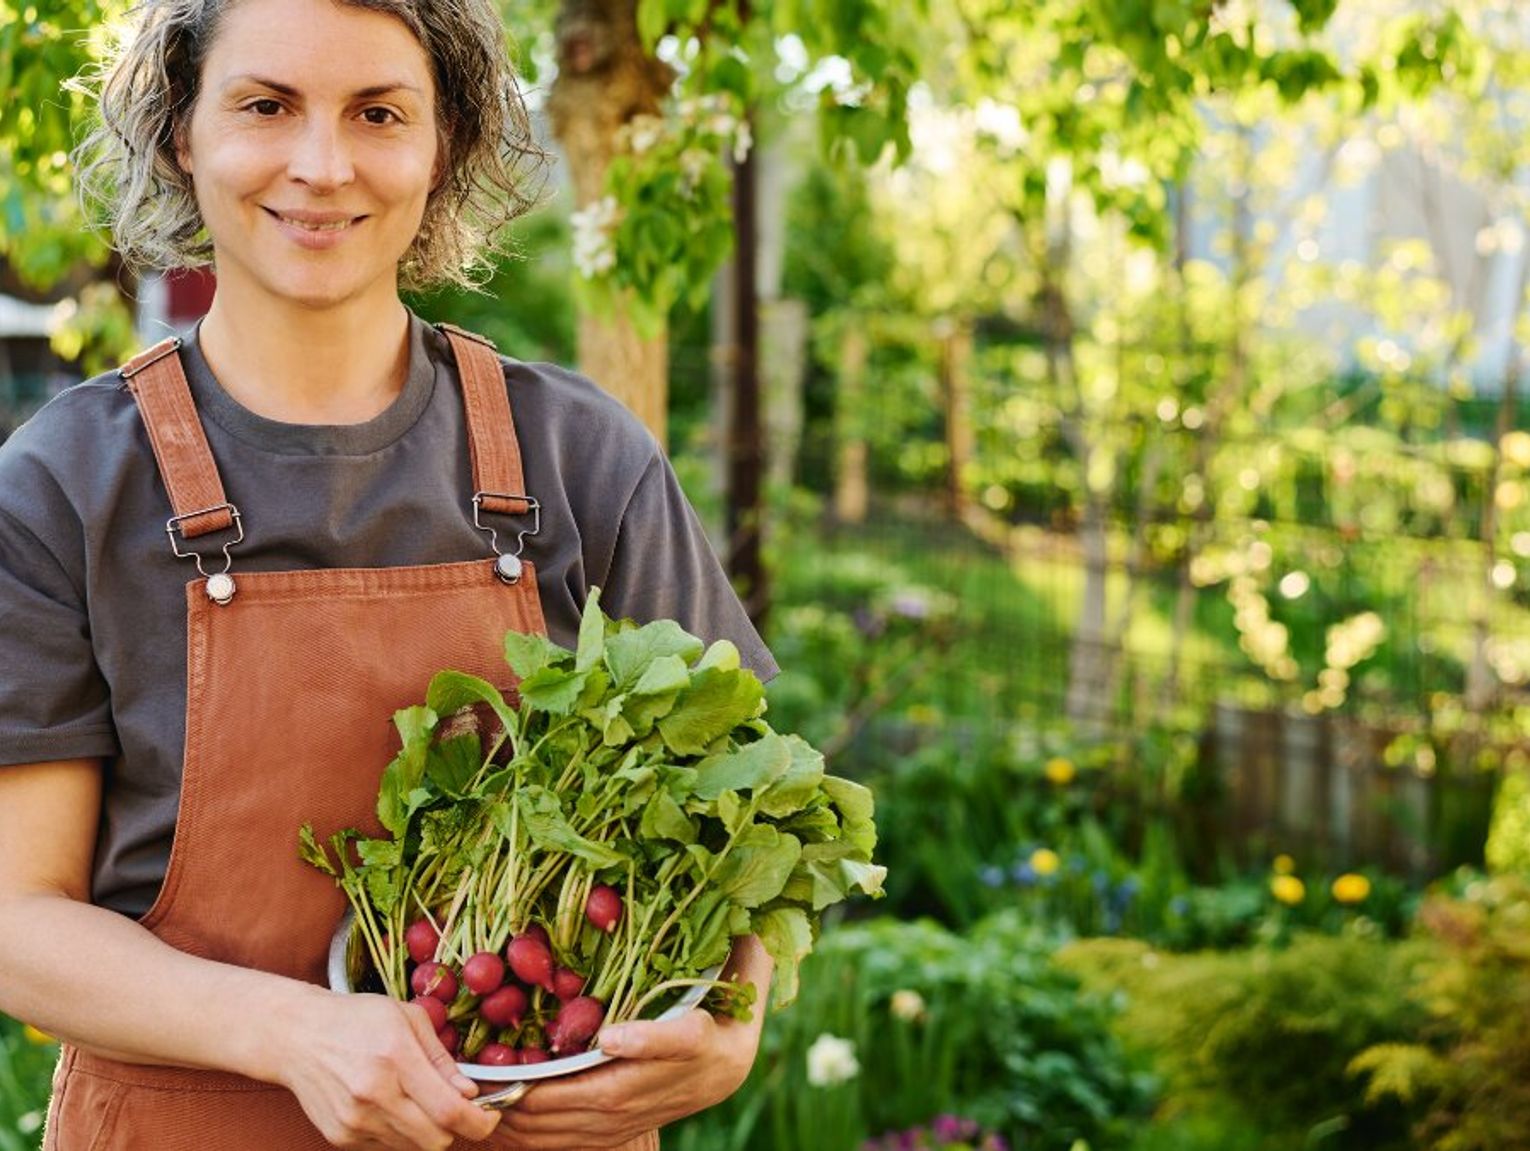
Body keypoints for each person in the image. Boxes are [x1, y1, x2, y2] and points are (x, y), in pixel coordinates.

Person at [0, 1, 777, 1148]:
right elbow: (17, 917)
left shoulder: (581, 460)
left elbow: (743, 816)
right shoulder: (64, 484)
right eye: (266, 106)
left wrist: (732, 1023)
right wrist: (293, 1030)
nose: (322, 166)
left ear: (444, 144)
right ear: (180, 130)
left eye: (379, 113)